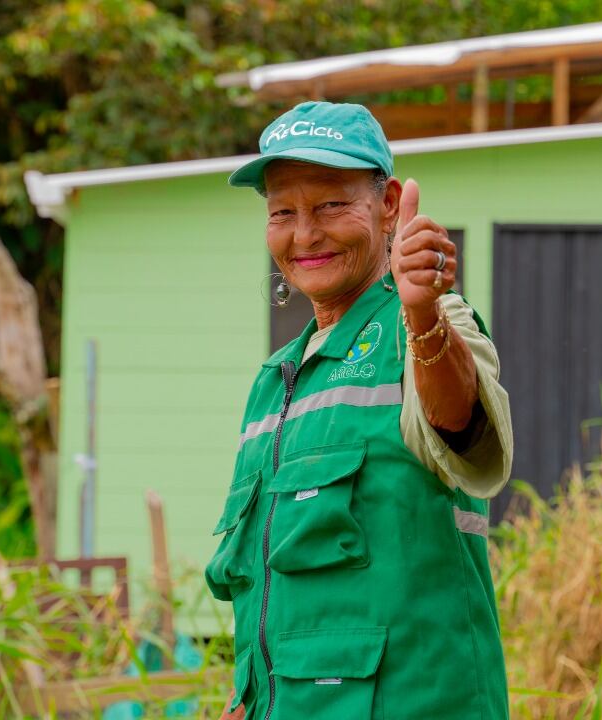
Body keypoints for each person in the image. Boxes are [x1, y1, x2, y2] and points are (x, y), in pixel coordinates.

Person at [207, 101, 513, 720]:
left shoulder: (426, 326)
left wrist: (423, 314)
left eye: (330, 206)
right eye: (282, 213)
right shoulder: (274, 382)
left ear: (390, 205)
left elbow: (460, 427)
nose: (304, 235)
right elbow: (269, 588)